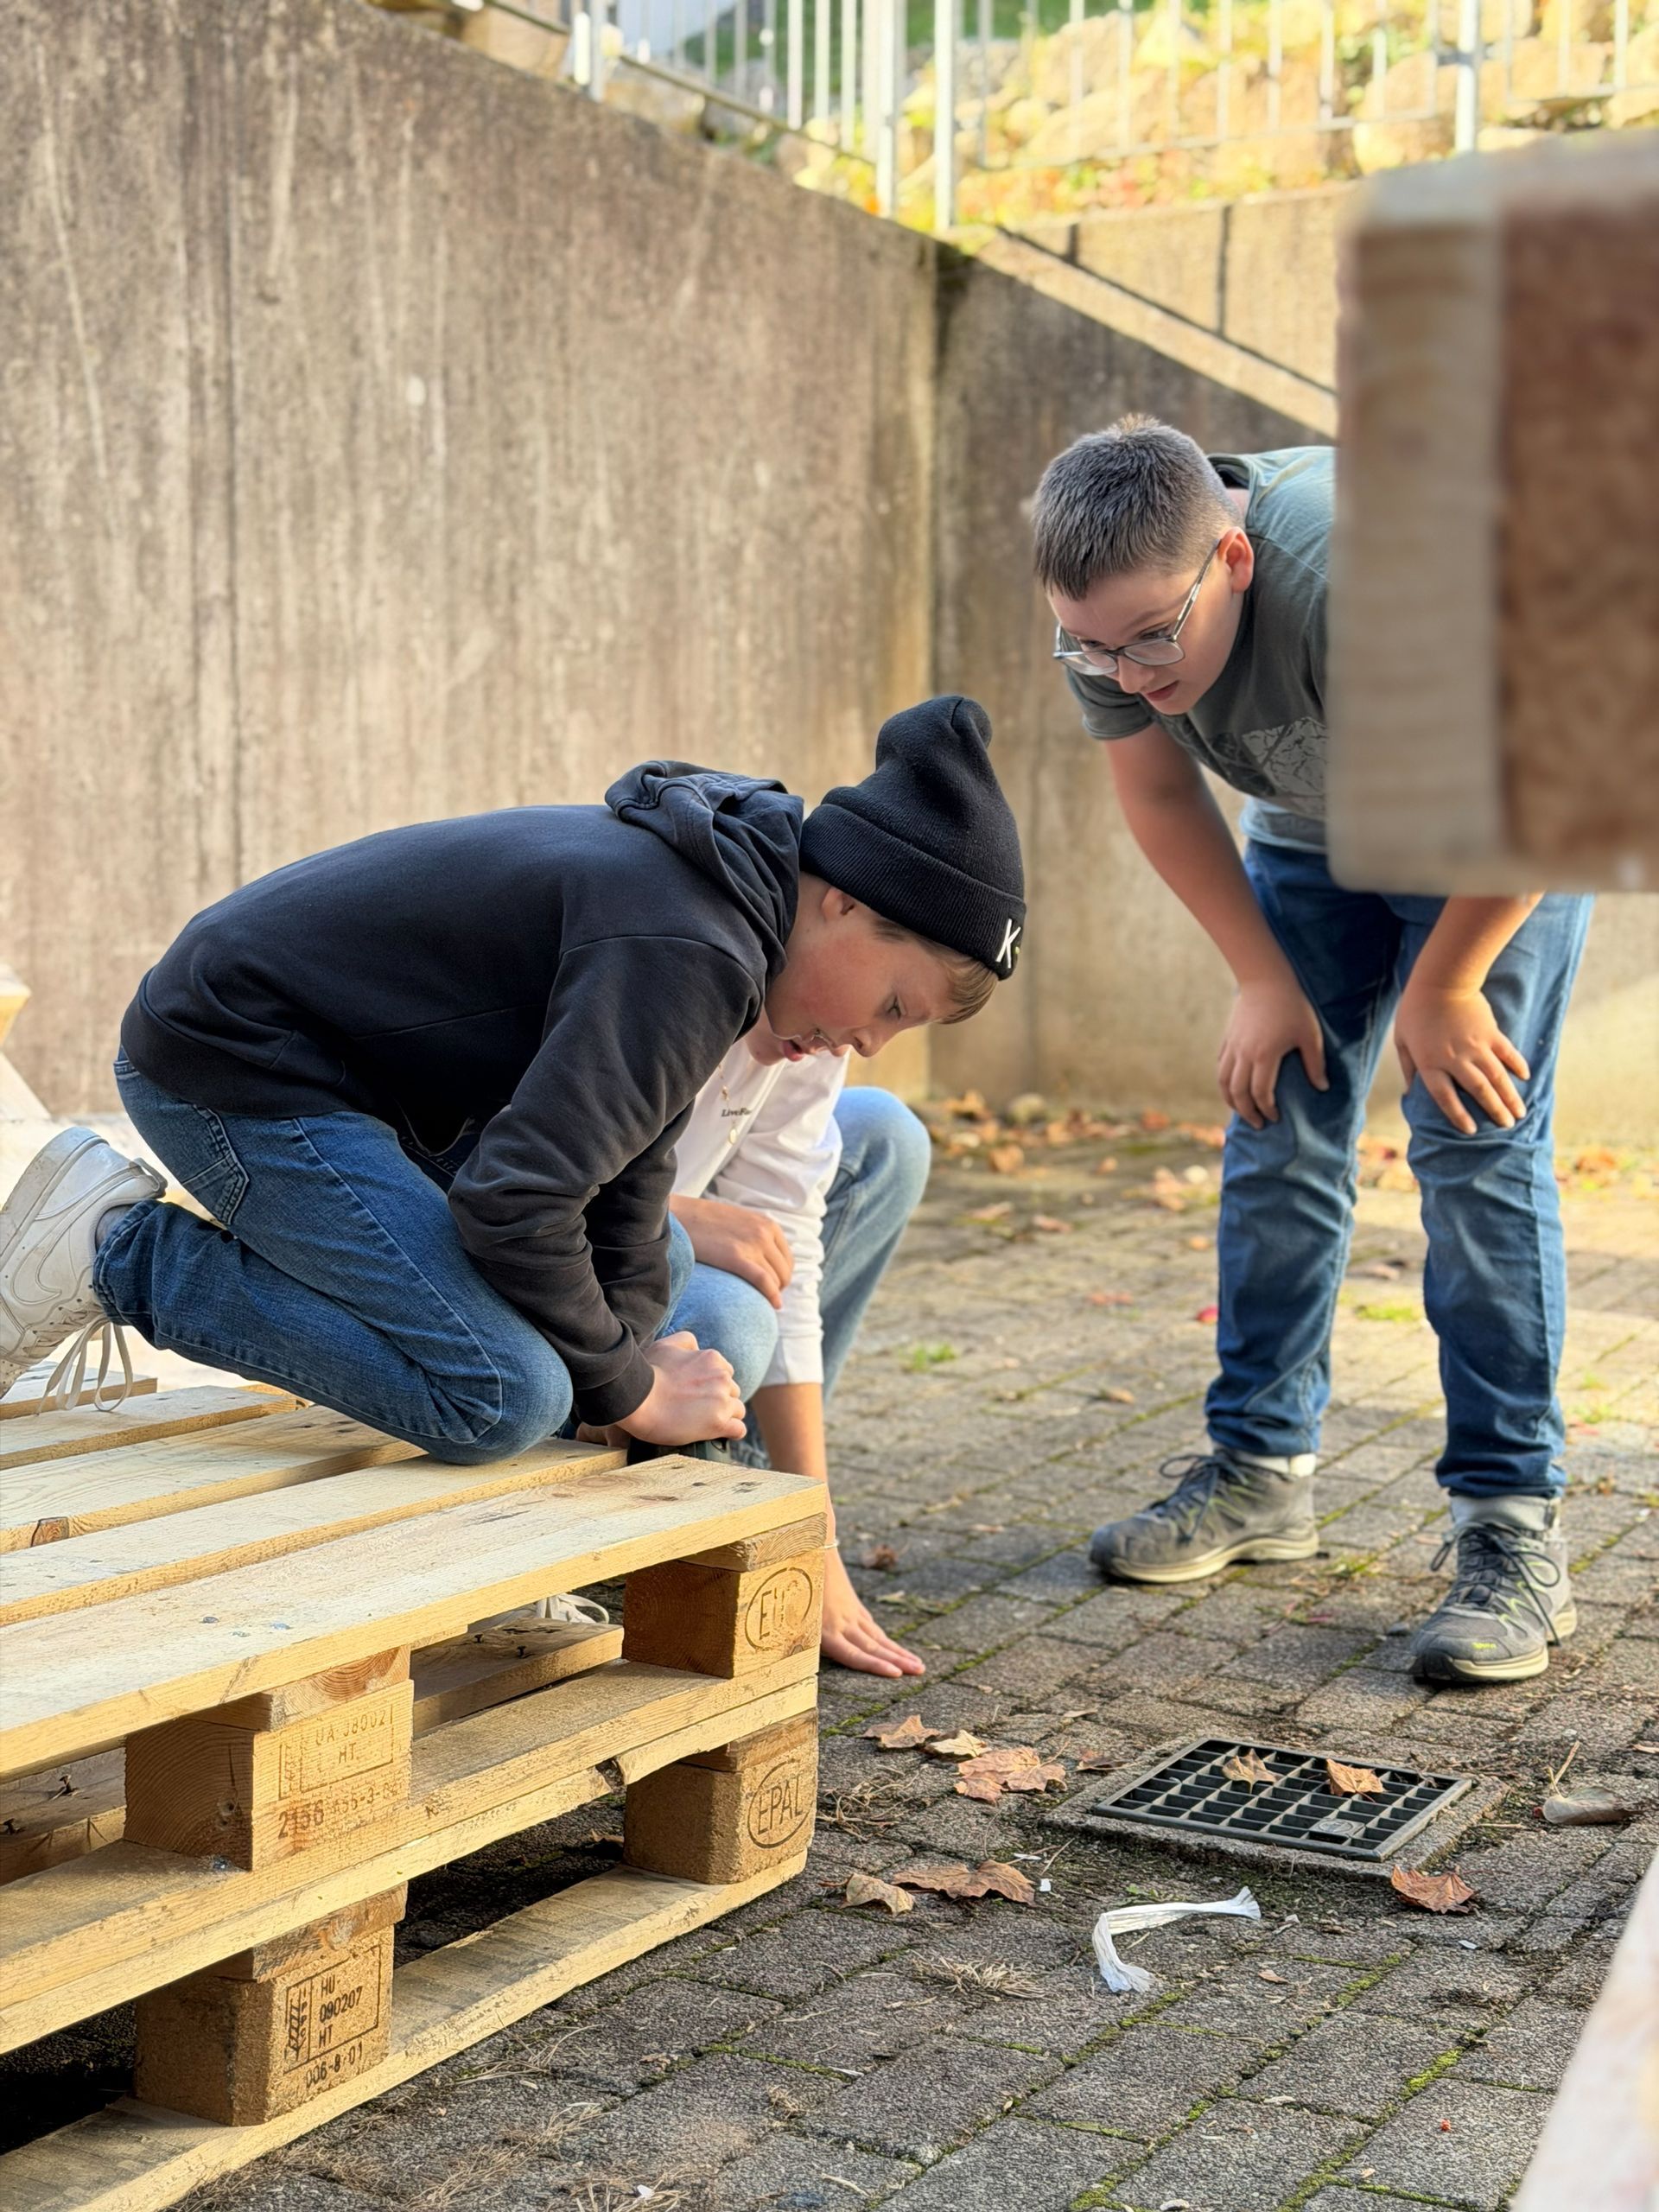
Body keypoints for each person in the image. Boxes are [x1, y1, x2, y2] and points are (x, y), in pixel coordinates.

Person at [0, 698, 1025, 1480]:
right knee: (500, 1392)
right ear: (843, 903)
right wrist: (629, 1388)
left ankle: (541, 1500)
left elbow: (628, 1174)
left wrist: (621, 1372)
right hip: (235, 1067)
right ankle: (117, 1252)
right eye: (895, 1004)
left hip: (365, 1093)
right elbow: (516, 1203)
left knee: (656, 1266)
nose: (873, 1043)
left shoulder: (725, 909)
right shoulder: (693, 945)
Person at [1032, 418, 1591, 1686]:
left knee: (1475, 1142)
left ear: (1232, 562)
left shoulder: (1366, 584)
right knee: (1276, 1117)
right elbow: (1158, 791)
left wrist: (1448, 984)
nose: (1123, 673)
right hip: (1313, 832)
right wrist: (1258, 976)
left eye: (1150, 641)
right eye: (1091, 646)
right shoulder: (1110, 603)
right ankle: (1260, 1470)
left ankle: (1512, 1526)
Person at [666, 1039, 932, 1678]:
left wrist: (816, 1533)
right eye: (893, 1005)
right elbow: (535, 1172)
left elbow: (789, 1248)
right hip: (579, 1244)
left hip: (645, 1230)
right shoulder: (667, 988)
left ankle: (758, 1487)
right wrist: (671, 1216)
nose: (872, 1043)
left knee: (884, 1131)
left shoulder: (820, 1032)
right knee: (734, 1318)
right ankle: (664, 1501)